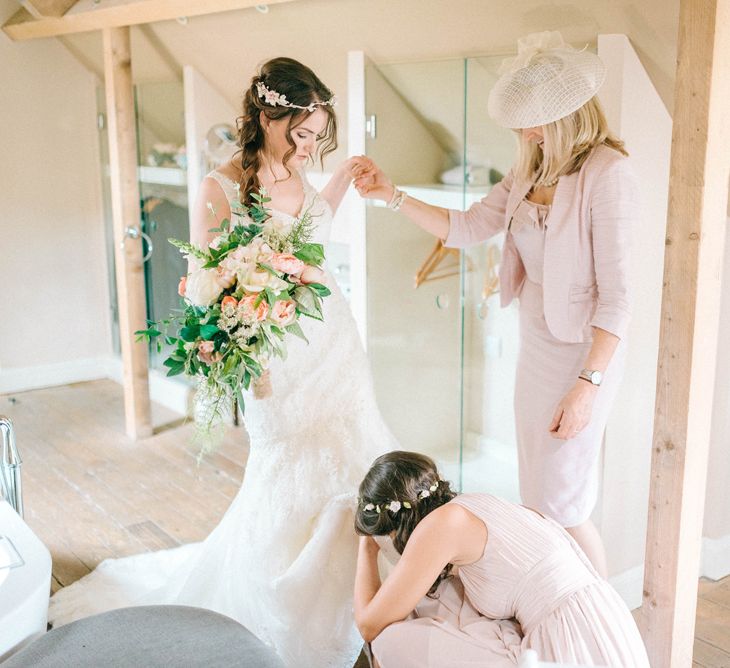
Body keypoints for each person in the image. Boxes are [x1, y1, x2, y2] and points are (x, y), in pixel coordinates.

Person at [48, 57, 398, 668]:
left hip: (332, 344)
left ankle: (357, 601)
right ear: (267, 116)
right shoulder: (222, 187)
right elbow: (205, 288)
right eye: (302, 133)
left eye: (320, 136)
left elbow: (311, 227)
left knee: (353, 462)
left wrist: (340, 178)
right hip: (275, 359)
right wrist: (242, 357)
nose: (310, 147)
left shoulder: (302, 172)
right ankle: (284, 604)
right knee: (287, 475)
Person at [353, 31, 640, 576]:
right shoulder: (531, 167)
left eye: (534, 121)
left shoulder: (609, 174)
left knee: (566, 501)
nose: (525, 132)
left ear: (567, 116)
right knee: (539, 494)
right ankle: (554, 606)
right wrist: (391, 195)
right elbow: (466, 227)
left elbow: (620, 299)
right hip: (536, 350)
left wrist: (587, 387)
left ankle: (598, 620)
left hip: (584, 359)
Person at [354, 451, 650, 667]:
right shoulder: (477, 505)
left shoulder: (442, 525)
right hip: (606, 624)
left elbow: (369, 625)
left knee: (389, 640)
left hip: (569, 641)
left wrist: (366, 547)